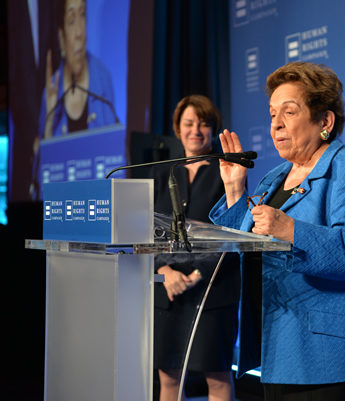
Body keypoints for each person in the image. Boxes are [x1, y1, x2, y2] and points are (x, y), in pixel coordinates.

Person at [210, 61, 345, 401]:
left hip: (341, 357)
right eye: (272, 114)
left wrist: (291, 231)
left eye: (289, 111)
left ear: (325, 121)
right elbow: (246, 243)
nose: (276, 124)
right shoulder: (275, 178)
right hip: (284, 347)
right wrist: (234, 191)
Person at [152, 95, 240, 401]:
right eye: (188, 123)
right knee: (169, 380)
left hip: (212, 289)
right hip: (168, 292)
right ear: (178, 129)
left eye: (204, 124)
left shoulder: (226, 170)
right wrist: (163, 271)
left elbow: (233, 230)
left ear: (214, 129)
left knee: (217, 378)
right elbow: (147, 231)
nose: (196, 130)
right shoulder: (162, 173)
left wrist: (196, 275)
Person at [37, 0, 117, 139]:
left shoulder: (103, 78)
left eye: (83, 15)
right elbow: (43, 159)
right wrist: (49, 122)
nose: (79, 32)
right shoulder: (52, 91)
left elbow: (113, 151)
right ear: (61, 37)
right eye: (72, 21)